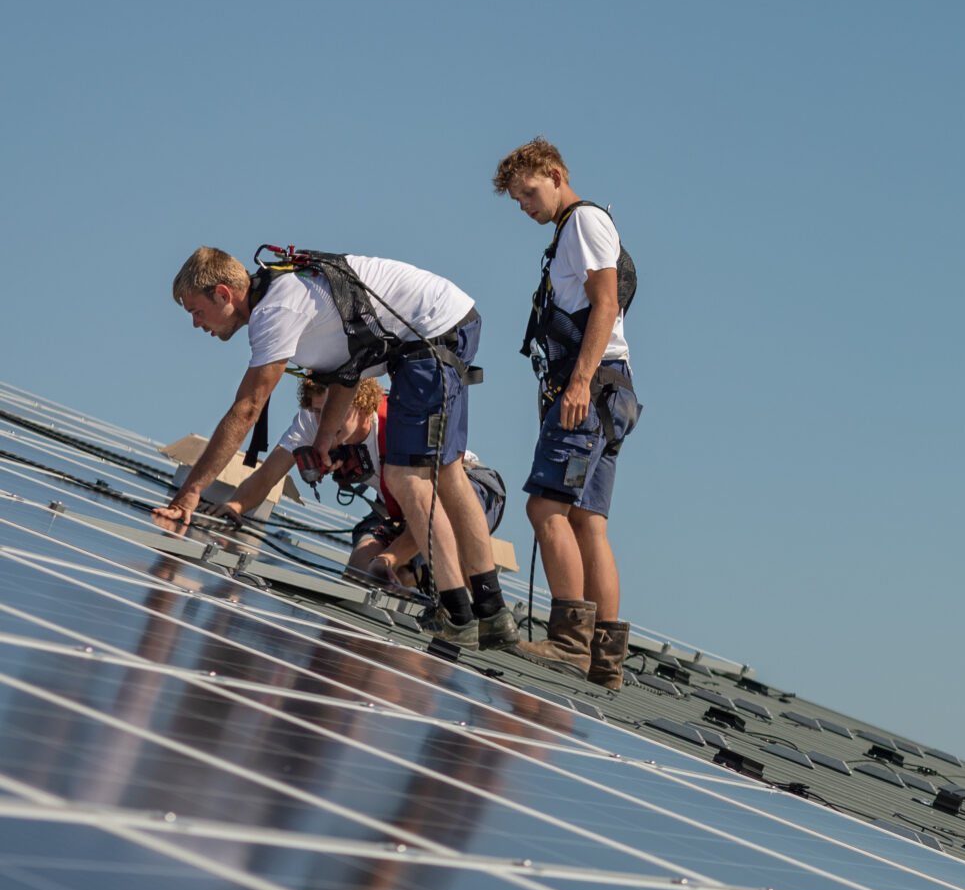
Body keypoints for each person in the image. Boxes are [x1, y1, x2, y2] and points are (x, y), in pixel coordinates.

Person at [158, 245, 519, 649]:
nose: (194, 323)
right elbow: (348, 375)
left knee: (406, 476)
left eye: (197, 311)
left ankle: (459, 613)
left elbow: (247, 409)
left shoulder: (275, 310)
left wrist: (190, 493)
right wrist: (326, 440)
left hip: (429, 334)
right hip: (442, 327)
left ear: (224, 294)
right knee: (446, 472)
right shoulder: (296, 299)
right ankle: (491, 612)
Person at [493, 137, 641, 688]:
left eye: (529, 193)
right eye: (516, 200)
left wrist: (577, 381)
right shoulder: (576, 229)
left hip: (592, 386)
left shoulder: (583, 223)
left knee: (544, 509)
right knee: (587, 521)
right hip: (614, 391)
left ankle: (571, 642)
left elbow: (606, 304)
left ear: (555, 174)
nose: (525, 206)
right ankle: (607, 659)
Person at [222, 376, 508, 588]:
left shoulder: (398, 422)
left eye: (335, 410)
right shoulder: (312, 422)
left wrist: (388, 559)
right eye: (319, 411)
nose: (325, 421)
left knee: (411, 566)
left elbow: (432, 510)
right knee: (360, 574)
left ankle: (469, 598)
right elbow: (268, 474)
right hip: (398, 511)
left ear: (360, 403)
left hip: (467, 492)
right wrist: (234, 506)